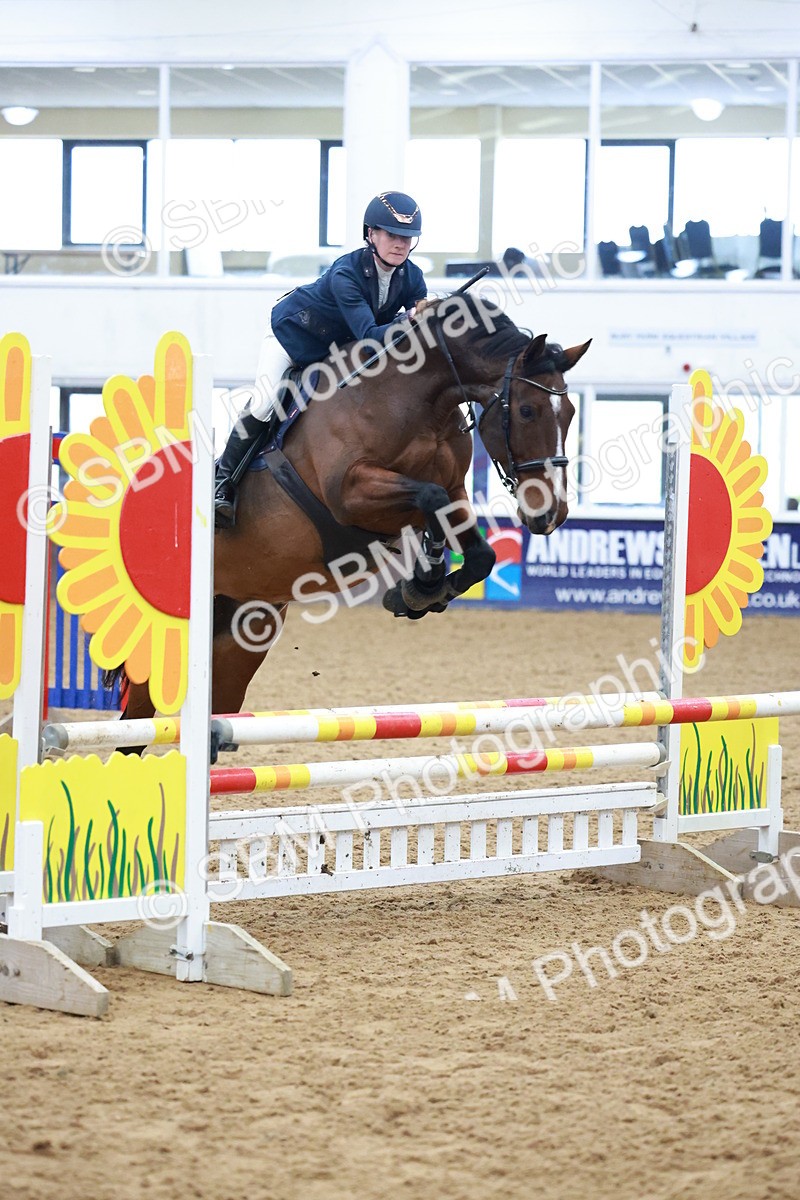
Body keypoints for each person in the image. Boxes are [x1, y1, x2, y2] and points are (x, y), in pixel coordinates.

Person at [214, 190, 427, 529]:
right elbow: (370, 337)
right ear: (370, 234)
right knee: (264, 405)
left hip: (334, 353)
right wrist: (409, 322)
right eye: (392, 235)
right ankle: (221, 484)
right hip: (292, 340)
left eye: (407, 237)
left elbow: (419, 310)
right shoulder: (347, 273)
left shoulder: (411, 275)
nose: (400, 244)